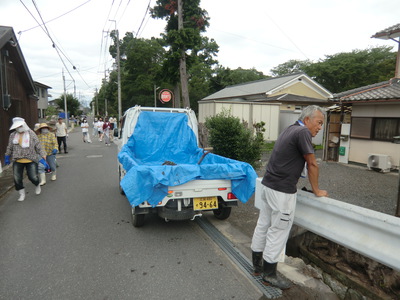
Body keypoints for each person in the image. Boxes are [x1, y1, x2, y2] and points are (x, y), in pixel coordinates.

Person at [251, 105, 328, 289]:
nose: (319, 128)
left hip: (268, 186)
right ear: (307, 119)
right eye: (318, 123)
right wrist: (317, 190)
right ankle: (269, 274)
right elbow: (312, 164)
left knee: (263, 224)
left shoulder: (290, 129)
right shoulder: (302, 133)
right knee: (278, 231)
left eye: (322, 125)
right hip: (282, 191)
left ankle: (257, 266)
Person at [4, 117, 48, 201]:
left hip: (31, 159)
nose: (19, 128)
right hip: (17, 159)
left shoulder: (31, 133)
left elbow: (38, 145)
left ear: (24, 125)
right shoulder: (13, 135)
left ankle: (37, 184)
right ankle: (21, 193)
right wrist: (7, 156)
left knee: (33, 177)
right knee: (17, 178)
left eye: (20, 126)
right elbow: (10, 146)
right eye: (17, 126)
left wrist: (43, 155)